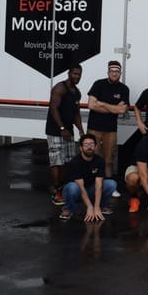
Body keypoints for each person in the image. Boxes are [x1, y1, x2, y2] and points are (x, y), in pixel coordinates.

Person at [86, 60, 130, 191]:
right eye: (112, 71)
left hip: (110, 130)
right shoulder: (99, 84)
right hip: (94, 128)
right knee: (91, 157)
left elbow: (122, 110)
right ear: (108, 72)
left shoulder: (123, 89)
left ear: (120, 73)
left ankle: (109, 186)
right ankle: (90, 185)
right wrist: (113, 107)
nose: (114, 73)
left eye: (117, 71)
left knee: (109, 159)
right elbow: (91, 105)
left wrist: (103, 103)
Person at [45, 65, 85, 206]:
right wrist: (62, 128)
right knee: (57, 161)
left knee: (67, 162)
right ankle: (57, 192)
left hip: (68, 132)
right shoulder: (59, 88)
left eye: (79, 74)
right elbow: (53, 108)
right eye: (74, 73)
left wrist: (80, 129)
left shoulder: (77, 92)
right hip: (55, 131)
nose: (77, 76)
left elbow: (76, 113)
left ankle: (61, 187)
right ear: (69, 73)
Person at [60, 133, 116, 222]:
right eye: (86, 145)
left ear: (96, 147)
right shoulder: (75, 162)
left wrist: (96, 207)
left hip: (90, 190)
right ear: (81, 148)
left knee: (111, 184)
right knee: (72, 187)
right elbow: (81, 188)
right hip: (77, 191)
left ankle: (102, 207)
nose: (89, 147)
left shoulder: (100, 161)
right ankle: (68, 209)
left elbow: (99, 185)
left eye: (92, 144)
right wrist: (89, 207)